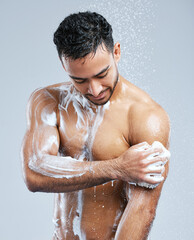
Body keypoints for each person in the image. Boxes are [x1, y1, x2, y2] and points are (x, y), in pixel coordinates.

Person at [21, 11, 170, 240]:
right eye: (80, 80)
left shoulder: (146, 117)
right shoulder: (48, 101)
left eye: (102, 74)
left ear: (116, 52)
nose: (95, 90)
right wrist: (117, 168)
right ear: (65, 66)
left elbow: (143, 210)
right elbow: (33, 174)